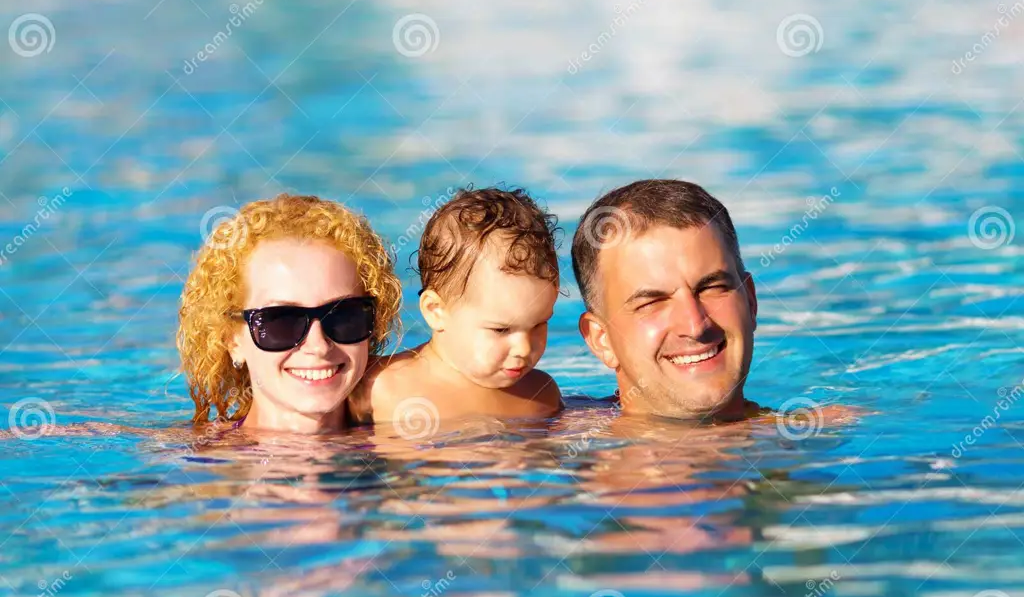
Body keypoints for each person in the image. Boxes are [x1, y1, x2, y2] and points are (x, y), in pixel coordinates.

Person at [178, 193, 402, 434]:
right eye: (282, 321)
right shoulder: (194, 461)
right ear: (232, 340)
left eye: (343, 316)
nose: (319, 346)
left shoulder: (411, 439)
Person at [350, 186, 563, 427]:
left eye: (539, 324)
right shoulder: (378, 389)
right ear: (436, 311)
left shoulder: (541, 394)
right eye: (501, 330)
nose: (524, 349)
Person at [571, 179, 763, 422]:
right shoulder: (538, 449)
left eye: (712, 288)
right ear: (602, 340)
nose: (695, 325)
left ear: (750, 301)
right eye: (651, 303)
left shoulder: (810, 440)